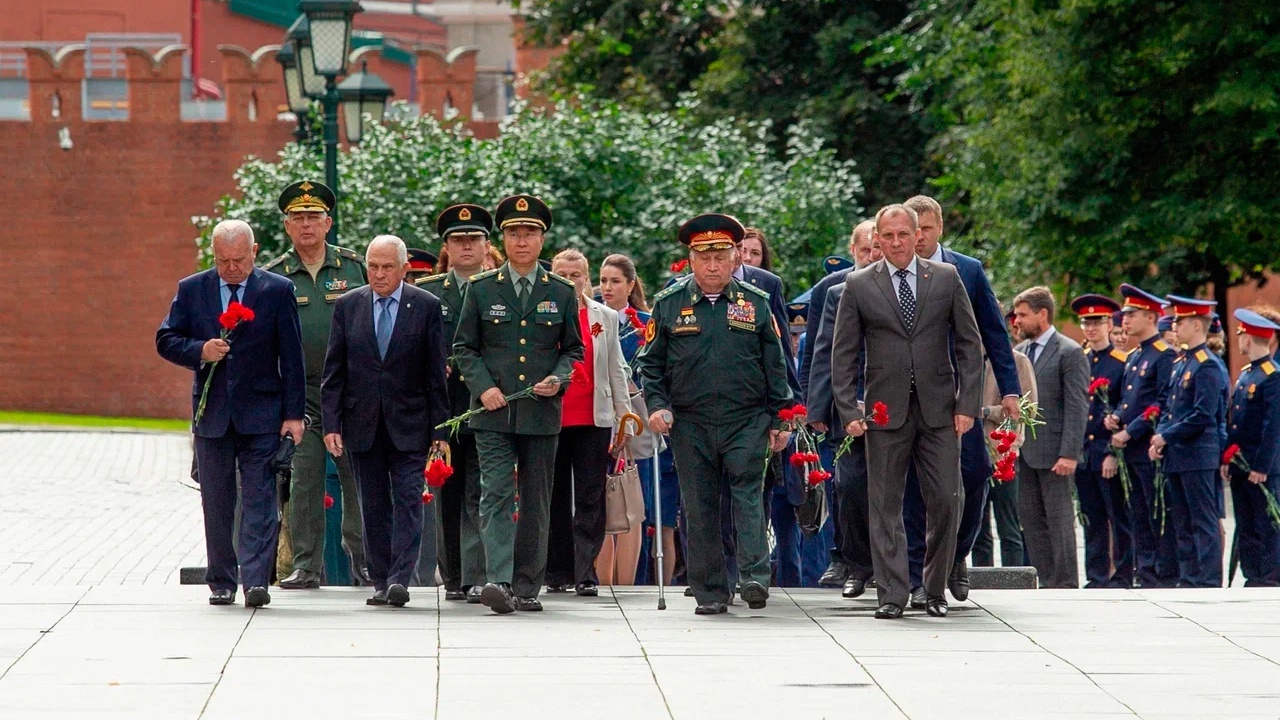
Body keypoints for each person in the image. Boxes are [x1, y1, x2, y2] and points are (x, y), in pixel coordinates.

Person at [636, 213, 793, 615]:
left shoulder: (754, 304)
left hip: (747, 419)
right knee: (699, 504)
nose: (712, 266)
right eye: (703, 257)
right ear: (690, 259)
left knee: (748, 495)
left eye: (721, 257)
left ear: (735, 259)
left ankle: (754, 576)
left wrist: (781, 418)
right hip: (691, 421)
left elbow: (776, 365)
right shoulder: (669, 304)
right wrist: (657, 407)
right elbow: (649, 365)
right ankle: (710, 591)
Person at [832, 203, 983, 619]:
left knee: (947, 500)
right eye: (888, 236)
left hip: (940, 410)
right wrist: (849, 409)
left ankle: (932, 590)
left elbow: (971, 344)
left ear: (918, 236)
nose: (896, 243)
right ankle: (893, 595)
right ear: (877, 239)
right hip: (884, 411)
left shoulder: (947, 278)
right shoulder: (859, 284)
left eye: (904, 235)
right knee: (883, 504)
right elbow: (842, 353)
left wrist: (967, 404)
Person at [156, 220, 306, 608]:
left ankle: (256, 580)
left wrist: (294, 414)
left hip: (262, 413)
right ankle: (221, 580)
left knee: (260, 500)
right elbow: (166, 339)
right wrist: (199, 350)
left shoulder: (277, 290)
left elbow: (292, 356)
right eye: (224, 261)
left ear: (254, 253)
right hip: (213, 416)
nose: (232, 268)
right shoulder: (193, 289)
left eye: (239, 260)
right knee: (217, 501)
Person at [452, 194, 584, 615]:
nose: (521, 240)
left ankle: (528, 584)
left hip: (541, 412)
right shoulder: (482, 287)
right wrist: (484, 387)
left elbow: (574, 351)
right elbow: (464, 347)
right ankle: (498, 580)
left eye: (529, 233)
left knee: (536, 499)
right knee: (494, 492)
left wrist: (558, 378)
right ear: (503, 239)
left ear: (542, 239)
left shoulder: (561, 291)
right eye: (513, 233)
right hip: (492, 411)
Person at [902, 195, 1021, 608]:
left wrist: (1009, 389)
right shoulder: (895, 272)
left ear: (938, 229)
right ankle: (921, 573)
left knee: (973, 475)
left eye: (925, 230)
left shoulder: (966, 270)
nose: (916, 238)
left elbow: (994, 333)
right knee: (916, 488)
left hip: (960, 396)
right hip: (911, 397)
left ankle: (956, 556)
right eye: (909, 229)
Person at [321, 235, 450, 607]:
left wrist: (439, 429)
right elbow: (335, 370)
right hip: (362, 423)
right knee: (372, 503)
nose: (378, 274)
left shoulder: (425, 306)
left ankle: (400, 577)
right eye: (372, 266)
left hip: (410, 422)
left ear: (404, 268)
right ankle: (380, 578)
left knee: (409, 498)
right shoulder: (348, 305)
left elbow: (434, 375)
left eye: (387, 267)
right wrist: (332, 424)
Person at [262, 180, 369, 590]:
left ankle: (364, 561)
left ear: (328, 223)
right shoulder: (273, 275)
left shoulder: (354, 267)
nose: (306, 225)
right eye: (297, 218)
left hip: (352, 395)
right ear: (287, 226)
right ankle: (306, 565)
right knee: (305, 484)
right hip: (301, 397)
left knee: (357, 481)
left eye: (313, 218)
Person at [415, 203, 494, 602]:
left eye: (473, 239)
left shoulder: (498, 287)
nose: (466, 247)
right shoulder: (429, 293)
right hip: (444, 407)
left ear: (486, 244)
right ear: (446, 246)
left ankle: (478, 574)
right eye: (458, 240)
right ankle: (454, 576)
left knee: (482, 490)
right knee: (447, 488)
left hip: (485, 402)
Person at [545, 249, 634, 596]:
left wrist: (624, 418)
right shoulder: (542, 312)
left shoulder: (604, 316)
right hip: (552, 417)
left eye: (576, 275)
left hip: (593, 417)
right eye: (562, 275)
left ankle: (585, 571)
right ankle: (556, 570)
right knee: (552, 497)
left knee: (590, 497)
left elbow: (616, 369)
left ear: (587, 279)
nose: (570, 282)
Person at [800, 220, 876, 588]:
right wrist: (813, 408)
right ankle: (848, 558)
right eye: (866, 250)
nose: (873, 256)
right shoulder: (832, 289)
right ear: (853, 252)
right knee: (846, 485)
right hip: (843, 407)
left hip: (887, 404)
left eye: (878, 249)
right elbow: (819, 349)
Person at [596, 253, 674, 585]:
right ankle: (602, 581)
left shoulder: (645, 323)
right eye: (603, 281)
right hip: (600, 417)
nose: (608, 287)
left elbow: (659, 370)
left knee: (634, 506)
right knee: (601, 504)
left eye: (616, 281)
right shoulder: (592, 318)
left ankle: (635, 582)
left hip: (637, 422)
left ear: (630, 285)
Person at [1009, 286, 1089, 588]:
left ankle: (1065, 583)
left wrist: (1069, 453)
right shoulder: (1021, 353)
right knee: (1030, 521)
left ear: (1043, 314)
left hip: (1056, 452)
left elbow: (1076, 406)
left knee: (1059, 521)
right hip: (1024, 451)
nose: (1017, 322)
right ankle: (1045, 579)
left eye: (1023, 315)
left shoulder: (1069, 352)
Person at [1149, 295, 1228, 587]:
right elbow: (1170, 406)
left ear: (1196, 324)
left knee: (1202, 521)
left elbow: (1202, 414)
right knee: (1181, 520)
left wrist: (1165, 435)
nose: (1174, 324)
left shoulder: (1206, 364)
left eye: (1180, 320)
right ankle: (1189, 576)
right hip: (1177, 454)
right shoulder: (1183, 361)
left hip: (1198, 454)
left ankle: (1208, 579)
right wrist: (1160, 438)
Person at [1106, 284, 1178, 588]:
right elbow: (1130, 399)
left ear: (1150, 316)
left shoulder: (1164, 355)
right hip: (1130, 448)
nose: (1124, 319)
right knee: (1137, 511)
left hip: (1146, 445)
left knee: (1155, 511)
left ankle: (1163, 573)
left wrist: (1130, 430)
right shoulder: (1136, 355)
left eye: (1131, 314)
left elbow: (1162, 402)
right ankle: (1145, 571)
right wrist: (1117, 417)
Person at [1071, 294, 1133, 588]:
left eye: (1097, 322)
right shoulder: (1078, 360)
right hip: (1084, 452)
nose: (1091, 328)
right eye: (1086, 322)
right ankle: (1096, 575)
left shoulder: (1122, 363)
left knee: (1118, 515)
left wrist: (1111, 451)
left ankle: (1123, 574)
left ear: (1110, 324)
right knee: (1091, 516)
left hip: (1108, 452)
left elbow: (1126, 408)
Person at [1224, 307, 1280, 586]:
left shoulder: (1272, 375)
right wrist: (1228, 458)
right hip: (1240, 464)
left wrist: (1261, 466)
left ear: (1250, 338)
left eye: (1241, 334)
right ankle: (1253, 573)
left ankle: (1269, 575)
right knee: (1246, 522)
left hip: (1261, 466)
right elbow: (1236, 423)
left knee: (1266, 522)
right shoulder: (1247, 374)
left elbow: (1273, 428)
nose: (1239, 339)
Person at [972, 346, 1037, 567]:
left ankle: (1013, 581)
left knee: (1008, 526)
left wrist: (988, 412)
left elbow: (1028, 409)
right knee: (977, 528)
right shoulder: (967, 357)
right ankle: (981, 580)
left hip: (1002, 454)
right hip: (972, 452)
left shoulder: (1017, 361)